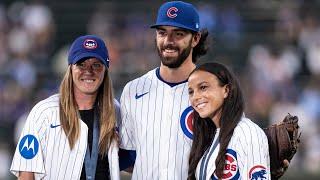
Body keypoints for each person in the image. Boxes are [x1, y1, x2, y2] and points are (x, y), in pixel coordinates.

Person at [119, 1, 209, 179]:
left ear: (196, 39)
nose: (169, 41)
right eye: (162, 33)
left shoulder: (214, 90)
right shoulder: (133, 89)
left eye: (178, 34)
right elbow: (129, 157)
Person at [10, 35, 120, 180]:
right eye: (81, 64)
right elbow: (26, 174)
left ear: (105, 70)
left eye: (96, 65)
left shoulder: (115, 110)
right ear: (70, 68)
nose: (89, 70)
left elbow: (128, 161)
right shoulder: (44, 112)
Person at [187, 62, 270, 180]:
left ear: (226, 90)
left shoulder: (247, 132)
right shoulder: (207, 138)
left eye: (203, 87)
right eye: (191, 92)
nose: (195, 96)